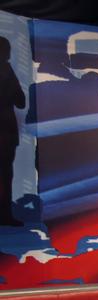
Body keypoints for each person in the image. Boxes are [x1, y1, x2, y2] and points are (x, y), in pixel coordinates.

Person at [0, 36, 25, 226]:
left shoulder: (8, 71)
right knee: (5, 175)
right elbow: (20, 101)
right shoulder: (8, 71)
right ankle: (5, 215)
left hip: (7, 132)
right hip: (7, 131)